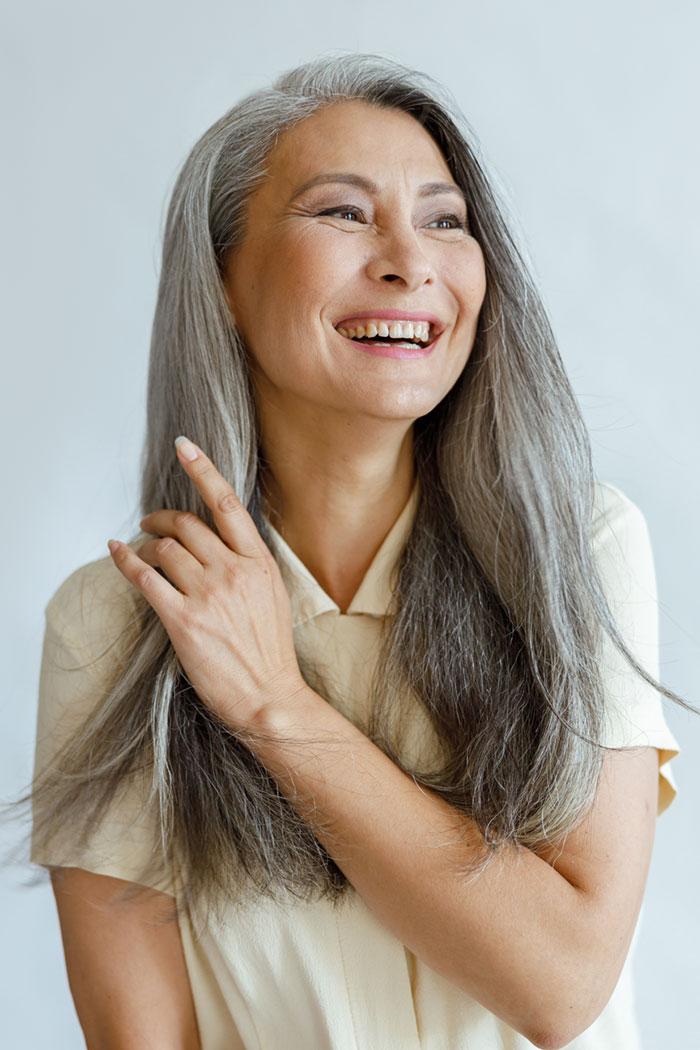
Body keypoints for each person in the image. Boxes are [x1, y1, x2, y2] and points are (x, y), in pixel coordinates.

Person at [15, 51, 696, 1049]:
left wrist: (273, 706)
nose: (410, 261)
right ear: (224, 283)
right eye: (341, 213)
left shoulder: (579, 548)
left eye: (444, 220)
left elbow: (562, 987)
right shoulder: (117, 622)